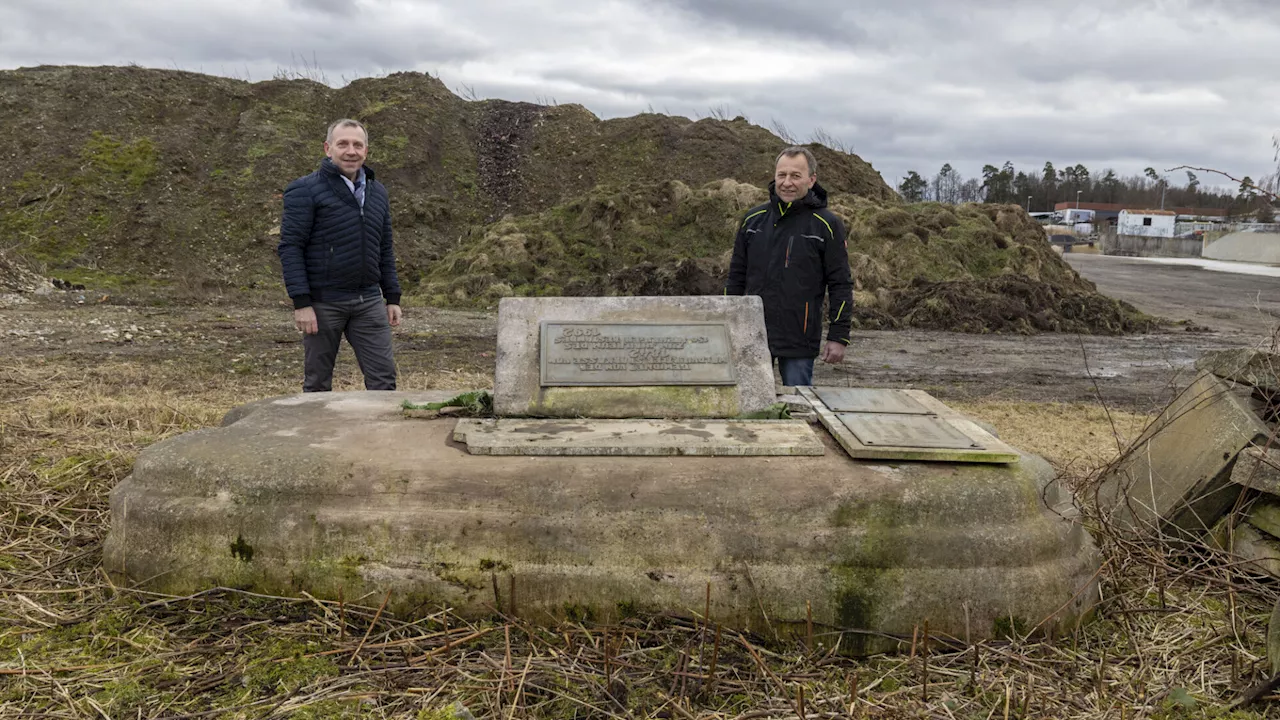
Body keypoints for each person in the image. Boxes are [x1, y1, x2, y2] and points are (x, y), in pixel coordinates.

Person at [277, 118, 402, 392]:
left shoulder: (378, 192)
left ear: (366, 151)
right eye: (342, 143)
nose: (350, 151)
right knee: (318, 385)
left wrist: (392, 297)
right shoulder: (304, 190)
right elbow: (291, 247)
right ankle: (317, 436)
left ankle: (380, 436)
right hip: (323, 304)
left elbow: (384, 246)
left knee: (384, 382)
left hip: (368, 301)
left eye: (358, 145)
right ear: (327, 148)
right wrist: (302, 303)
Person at [725, 146, 853, 386]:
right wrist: (726, 325)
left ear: (811, 180)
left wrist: (839, 336)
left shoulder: (827, 225)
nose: (787, 182)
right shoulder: (753, 220)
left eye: (796, 176)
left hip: (799, 339)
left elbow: (841, 284)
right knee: (748, 408)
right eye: (782, 175)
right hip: (752, 336)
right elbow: (735, 278)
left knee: (798, 411)